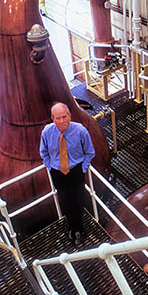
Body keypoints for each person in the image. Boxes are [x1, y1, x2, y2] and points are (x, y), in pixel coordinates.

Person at [40, 102, 95, 246]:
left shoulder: (81, 131)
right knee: (65, 201)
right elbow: (43, 152)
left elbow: (90, 152)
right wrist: (50, 167)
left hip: (76, 170)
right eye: (58, 118)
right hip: (57, 172)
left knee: (78, 200)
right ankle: (72, 228)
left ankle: (78, 229)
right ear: (52, 118)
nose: (62, 121)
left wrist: (83, 168)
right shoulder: (47, 132)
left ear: (70, 116)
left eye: (64, 117)